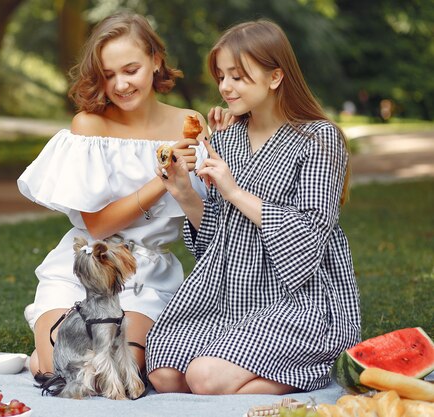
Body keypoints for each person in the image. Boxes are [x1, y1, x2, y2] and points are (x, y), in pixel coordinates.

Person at [145, 19, 361, 395]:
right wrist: (184, 193)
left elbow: (311, 236)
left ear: (275, 77)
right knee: (164, 375)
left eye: (238, 77)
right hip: (229, 294)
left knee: (203, 379)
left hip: (297, 298)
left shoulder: (318, 139)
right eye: (221, 76)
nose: (225, 87)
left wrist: (233, 191)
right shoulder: (227, 139)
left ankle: (317, 369)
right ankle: (246, 377)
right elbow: (215, 237)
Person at [17, 11, 208, 376]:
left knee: (120, 373)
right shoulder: (90, 126)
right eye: (108, 75)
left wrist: (198, 173)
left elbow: (208, 220)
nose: (120, 84)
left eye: (130, 70)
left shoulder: (189, 124)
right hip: (85, 267)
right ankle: (43, 354)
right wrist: (163, 178)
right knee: (64, 370)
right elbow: (99, 226)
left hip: (146, 276)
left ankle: (49, 357)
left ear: (156, 60)